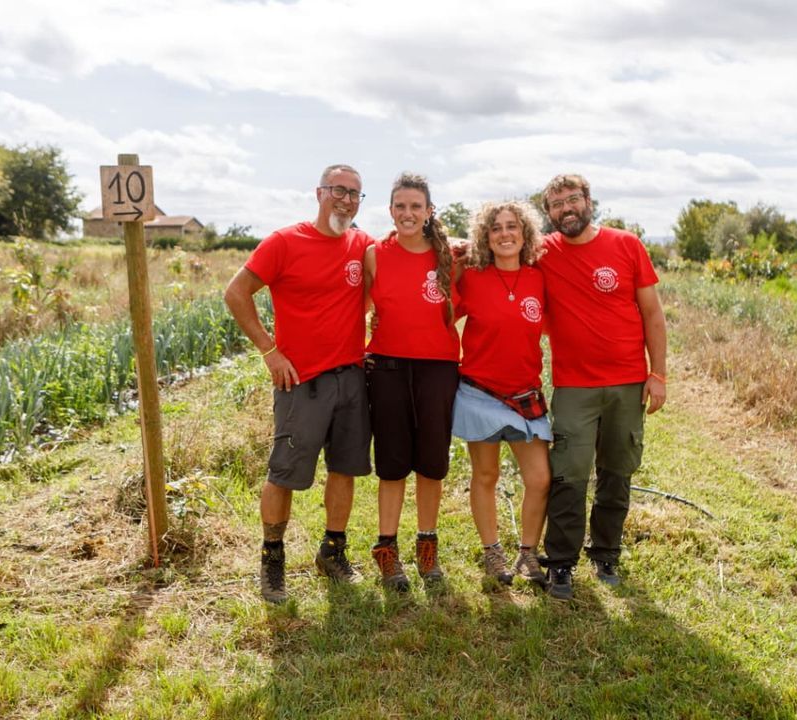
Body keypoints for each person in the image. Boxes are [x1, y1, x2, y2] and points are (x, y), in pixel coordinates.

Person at [223, 163, 373, 604]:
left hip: (352, 378)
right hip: (301, 381)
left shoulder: (361, 243)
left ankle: (333, 551)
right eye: (338, 190)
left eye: (355, 194)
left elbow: (392, 267)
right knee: (284, 473)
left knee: (345, 469)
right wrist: (270, 350)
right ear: (319, 192)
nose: (346, 200)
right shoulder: (285, 242)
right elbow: (236, 292)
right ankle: (272, 558)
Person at [537, 173, 667, 601]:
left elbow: (652, 314)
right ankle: (560, 563)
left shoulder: (626, 245)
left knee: (617, 471)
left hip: (628, 382)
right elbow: (490, 248)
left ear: (588, 201)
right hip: (575, 386)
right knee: (569, 474)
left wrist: (658, 374)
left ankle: (606, 553)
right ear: (548, 212)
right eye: (556, 204)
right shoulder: (543, 252)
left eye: (572, 199)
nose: (566, 209)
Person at [363, 172, 461, 592]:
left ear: (428, 211)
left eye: (415, 206)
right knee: (392, 462)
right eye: (400, 206)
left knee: (431, 462)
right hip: (386, 366)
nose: (407, 213)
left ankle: (427, 544)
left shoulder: (450, 257)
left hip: (438, 367)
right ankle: (386, 549)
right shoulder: (373, 254)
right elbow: (362, 305)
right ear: (390, 211)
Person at [452, 200, 551, 588]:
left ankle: (528, 553)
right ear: (485, 237)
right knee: (486, 474)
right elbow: (441, 316)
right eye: (496, 228)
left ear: (525, 234)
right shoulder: (472, 277)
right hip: (480, 392)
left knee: (540, 478)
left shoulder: (539, 277)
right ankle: (492, 552)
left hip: (525, 394)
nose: (505, 233)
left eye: (512, 226)